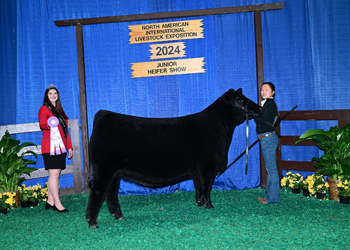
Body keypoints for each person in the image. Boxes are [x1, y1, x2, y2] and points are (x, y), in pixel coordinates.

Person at [38, 84, 73, 212]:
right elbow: (42, 123)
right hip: (49, 147)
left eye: (55, 93)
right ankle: (58, 203)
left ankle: (50, 201)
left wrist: (69, 146)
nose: (53, 95)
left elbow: (65, 132)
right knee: (54, 174)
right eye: (50, 93)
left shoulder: (60, 111)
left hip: (60, 147)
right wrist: (49, 122)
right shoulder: (44, 109)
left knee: (54, 174)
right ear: (47, 96)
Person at [254, 82, 280, 204]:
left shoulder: (270, 105)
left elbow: (261, 120)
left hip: (268, 139)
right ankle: (268, 196)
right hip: (265, 139)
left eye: (266, 89)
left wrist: (254, 112)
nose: (263, 92)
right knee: (270, 169)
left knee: (271, 170)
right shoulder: (266, 105)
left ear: (273, 92)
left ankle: (273, 198)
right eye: (262, 89)